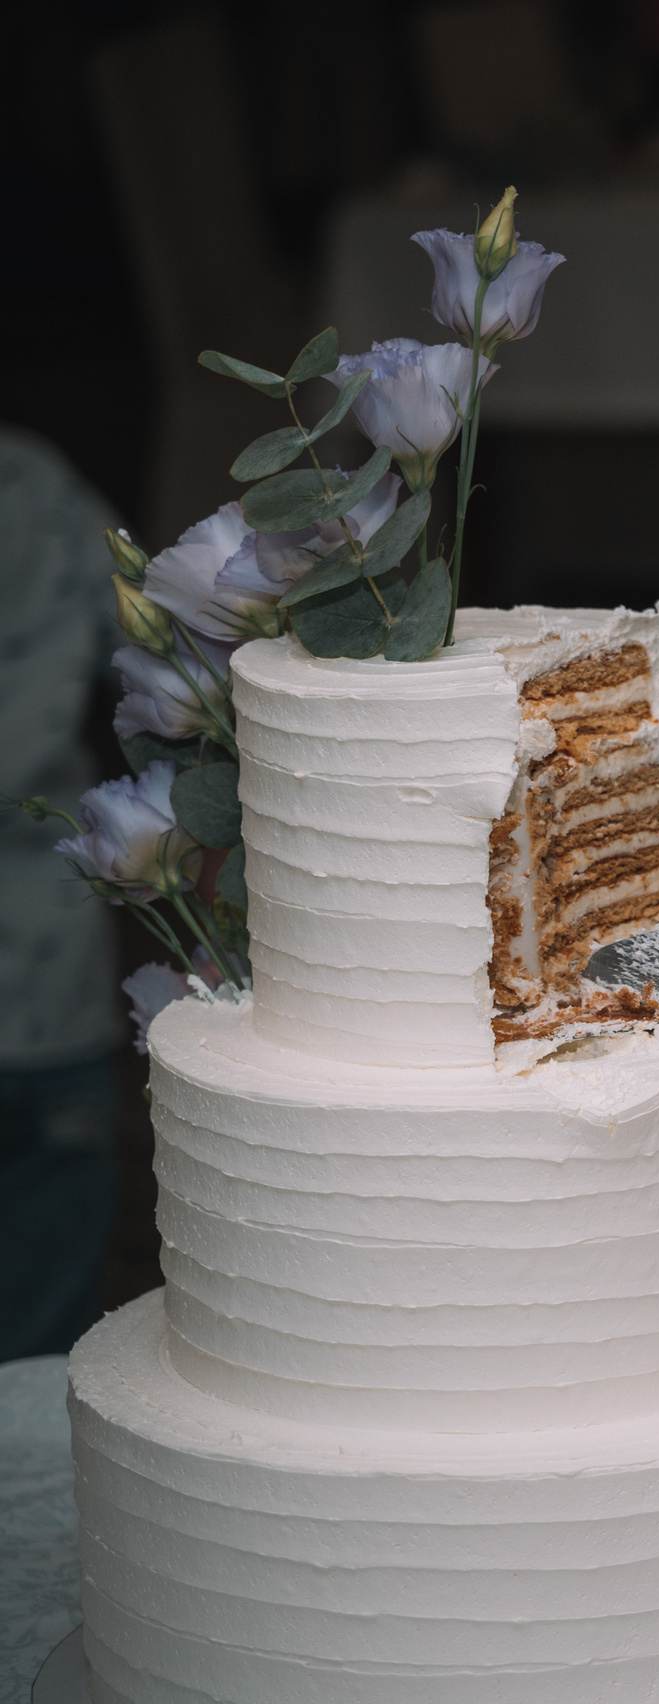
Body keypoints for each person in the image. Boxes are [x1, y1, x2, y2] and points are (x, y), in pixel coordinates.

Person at [0, 431, 126, 1363]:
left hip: (54, 993)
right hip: (50, 984)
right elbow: (179, 659)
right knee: (45, 1368)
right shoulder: (33, 480)